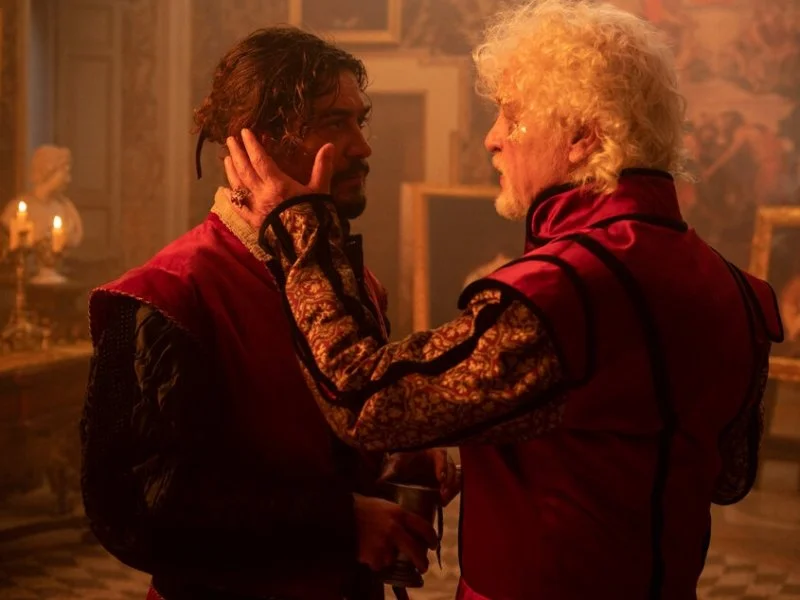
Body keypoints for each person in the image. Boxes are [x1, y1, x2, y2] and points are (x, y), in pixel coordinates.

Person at [222, 1, 784, 599]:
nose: (492, 139)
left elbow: (365, 404)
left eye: (511, 117)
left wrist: (301, 226)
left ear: (583, 136)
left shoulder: (564, 291)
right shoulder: (732, 285)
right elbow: (722, 475)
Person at [81, 27, 458, 600]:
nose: (362, 147)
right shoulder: (168, 294)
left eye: (361, 121)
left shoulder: (355, 284)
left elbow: (324, 442)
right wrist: (340, 524)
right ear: (257, 143)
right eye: (335, 122)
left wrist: (391, 456)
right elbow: (135, 509)